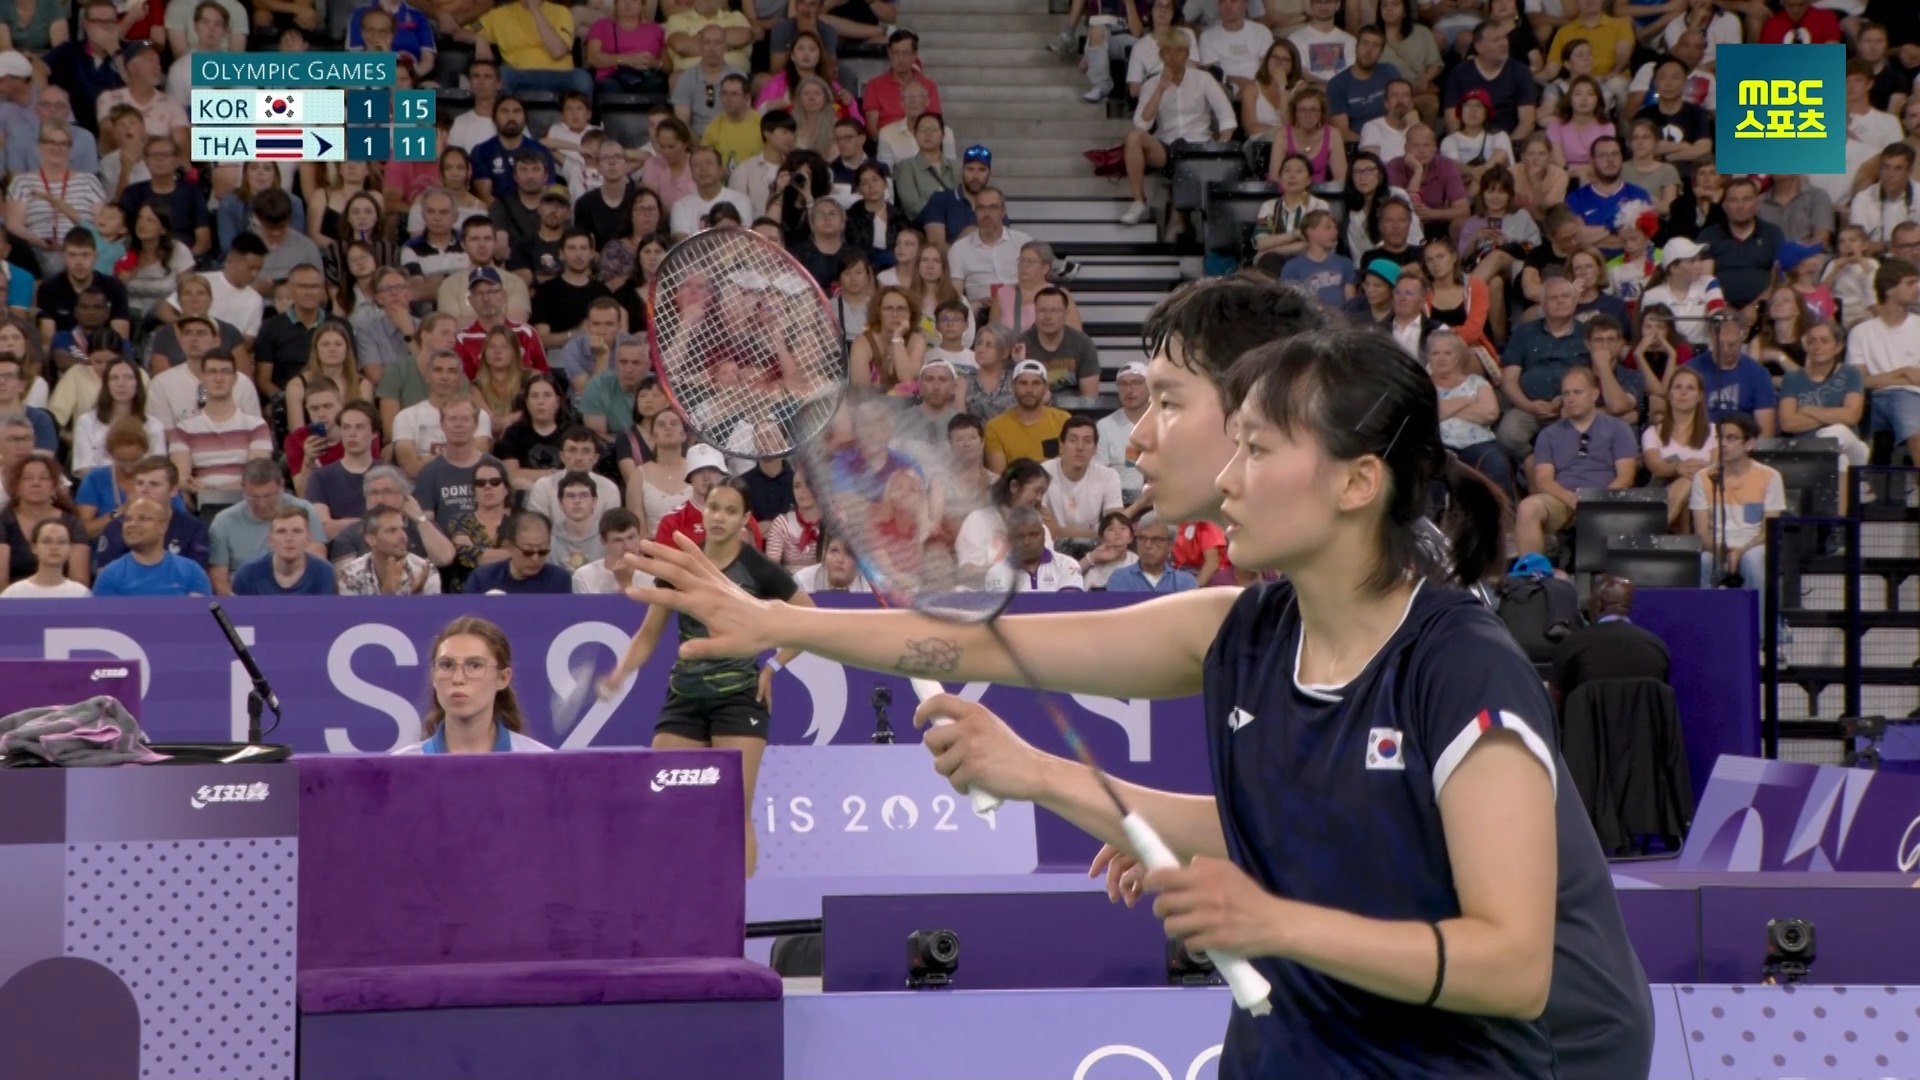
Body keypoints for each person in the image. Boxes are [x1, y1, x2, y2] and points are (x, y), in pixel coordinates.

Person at [628, 324, 1652, 1077]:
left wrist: (1273, 917)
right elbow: (988, 642)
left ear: (1356, 483)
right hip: (1312, 1041)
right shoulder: (1241, 630)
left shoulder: (1458, 666)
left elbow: (1514, 964)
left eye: (1257, 448)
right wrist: (783, 626)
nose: (1233, 478)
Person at [601, 475, 815, 876]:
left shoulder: (760, 571)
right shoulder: (681, 566)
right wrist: (619, 672)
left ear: (745, 519)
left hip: (739, 700)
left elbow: (811, 619)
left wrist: (774, 665)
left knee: (734, 809)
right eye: (714, 507)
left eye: (731, 511)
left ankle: (746, 915)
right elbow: (647, 635)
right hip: (685, 698)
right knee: (663, 806)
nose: (719, 517)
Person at [395, 616, 554, 754]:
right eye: (446, 665)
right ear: (433, 676)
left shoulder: (543, 763)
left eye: (474, 666)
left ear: (503, 678)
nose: (458, 679)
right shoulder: (398, 768)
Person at [0, 518, 91, 597]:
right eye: (47, 541)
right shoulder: (14, 593)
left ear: (70, 548)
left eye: (62, 542)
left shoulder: (81, 593)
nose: (54, 547)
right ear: (34, 547)